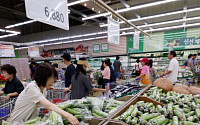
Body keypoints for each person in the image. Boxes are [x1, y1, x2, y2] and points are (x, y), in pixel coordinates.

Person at [7, 63, 79, 125]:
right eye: (50, 78)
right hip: (16, 122)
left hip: (27, 121)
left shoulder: (43, 89)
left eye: (53, 78)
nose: (52, 81)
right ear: (42, 77)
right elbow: (48, 105)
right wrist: (68, 116)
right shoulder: (32, 88)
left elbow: (43, 105)